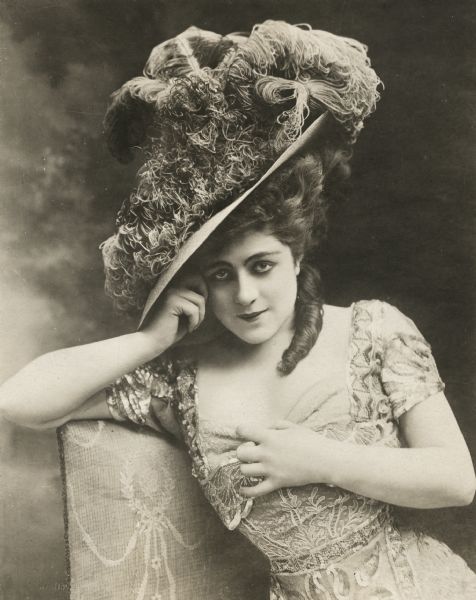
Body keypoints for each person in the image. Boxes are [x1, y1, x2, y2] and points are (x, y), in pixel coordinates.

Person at [1, 20, 475, 599]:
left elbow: (456, 479)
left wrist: (319, 458)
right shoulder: (182, 383)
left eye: (262, 265)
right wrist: (149, 342)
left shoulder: (372, 330)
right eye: (220, 276)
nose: (246, 295)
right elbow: (20, 401)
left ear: (296, 255)